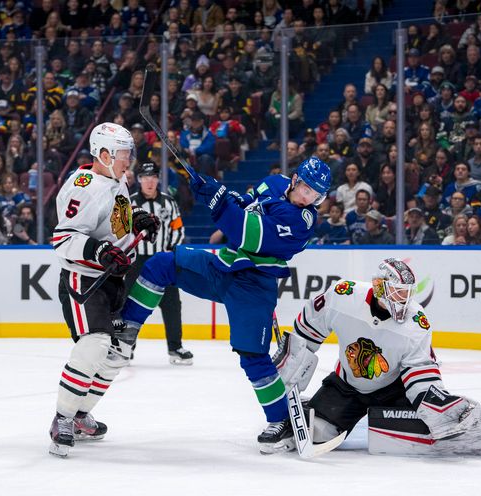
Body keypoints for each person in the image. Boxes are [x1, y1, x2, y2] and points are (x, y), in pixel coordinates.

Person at [115, 157, 332, 454]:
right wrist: (214, 190)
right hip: (224, 266)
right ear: (295, 179)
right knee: (160, 264)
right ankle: (126, 332)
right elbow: (243, 202)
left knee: (252, 355)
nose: (308, 198)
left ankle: (280, 420)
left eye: (316, 195)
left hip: (254, 285)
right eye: (307, 189)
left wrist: (217, 201)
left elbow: (246, 232)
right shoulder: (276, 182)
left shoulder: (301, 220)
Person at [273, 259, 481, 458]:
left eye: (407, 293)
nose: (405, 300)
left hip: (394, 390)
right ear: (379, 287)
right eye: (398, 292)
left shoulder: (416, 323)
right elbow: (306, 332)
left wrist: (436, 403)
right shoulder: (343, 295)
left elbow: (420, 374)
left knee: (435, 430)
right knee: (316, 434)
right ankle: (298, 415)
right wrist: (289, 370)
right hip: (346, 387)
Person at [47, 122, 160, 458]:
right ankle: (62, 418)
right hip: (85, 281)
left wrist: (138, 217)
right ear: (105, 154)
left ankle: (80, 416)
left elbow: (117, 218)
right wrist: (97, 250)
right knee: (95, 345)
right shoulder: (83, 187)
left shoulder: (115, 179)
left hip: (111, 280)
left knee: (118, 352)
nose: (130, 160)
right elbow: (63, 238)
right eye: (125, 153)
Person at [125, 162, 193, 365]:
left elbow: (178, 229)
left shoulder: (169, 202)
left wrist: (170, 250)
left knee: (171, 303)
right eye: (145, 177)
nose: (149, 181)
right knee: (130, 305)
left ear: (158, 179)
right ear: (139, 180)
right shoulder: (129, 203)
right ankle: (125, 348)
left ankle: (175, 347)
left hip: (163, 260)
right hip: (137, 261)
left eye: (153, 177)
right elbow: (121, 231)